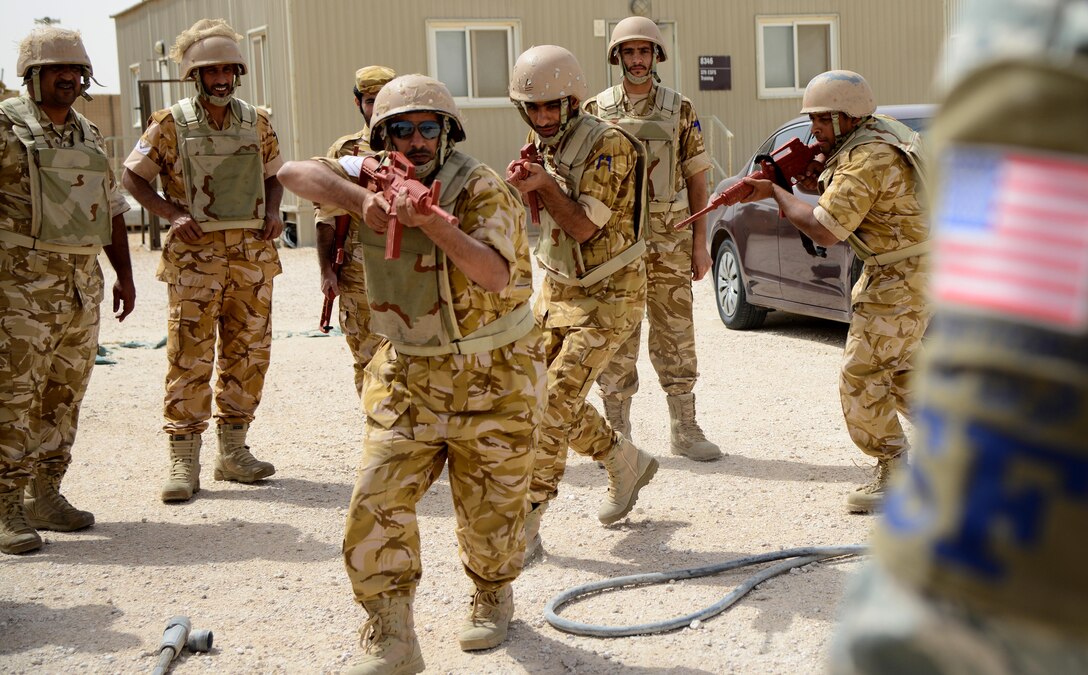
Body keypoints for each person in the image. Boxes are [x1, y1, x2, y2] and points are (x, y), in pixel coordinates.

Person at [829, 0, 1088, 670]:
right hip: (923, 283)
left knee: (863, 377)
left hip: (896, 287)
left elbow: (1027, 387)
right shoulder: (894, 139)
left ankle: (891, 465)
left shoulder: (1034, 45)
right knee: (912, 378)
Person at [276, 74, 547, 674]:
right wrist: (359, 201)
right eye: (403, 128)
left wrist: (433, 224)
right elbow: (293, 173)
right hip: (407, 377)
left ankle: (491, 591)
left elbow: (496, 276)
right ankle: (392, 630)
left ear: (448, 132)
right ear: (382, 134)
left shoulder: (481, 188)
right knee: (375, 500)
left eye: (429, 128)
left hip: (493, 377)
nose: (417, 140)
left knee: (490, 517)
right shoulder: (368, 170)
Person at [739, 70, 930, 513]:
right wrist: (812, 185)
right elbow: (864, 202)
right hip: (912, 269)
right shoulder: (880, 135)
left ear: (847, 117)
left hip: (899, 278)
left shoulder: (866, 159)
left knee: (861, 375)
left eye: (822, 120)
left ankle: (895, 472)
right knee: (900, 370)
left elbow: (824, 231)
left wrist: (775, 194)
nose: (814, 130)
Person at [122, 19, 284, 504]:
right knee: (189, 355)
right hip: (195, 259)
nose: (220, 79)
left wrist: (274, 212)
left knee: (249, 353)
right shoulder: (169, 123)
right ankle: (182, 461)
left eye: (227, 70)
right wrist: (171, 214)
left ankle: (233, 452)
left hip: (251, 257)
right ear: (195, 76)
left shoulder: (257, 120)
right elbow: (132, 178)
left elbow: (275, 174)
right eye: (210, 71)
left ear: (237, 72)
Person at [505, 45, 657, 559]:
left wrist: (544, 184)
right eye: (533, 108)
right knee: (533, 392)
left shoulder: (608, 144)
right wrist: (530, 184)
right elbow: (542, 220)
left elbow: (583, 224)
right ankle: (622, 458)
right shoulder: (542, 138)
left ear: (573, 101)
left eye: (553, 107)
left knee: (553, 405)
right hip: (560, 289)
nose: (543, 118)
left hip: (609, 294)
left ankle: (526, 523)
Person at [0, 27, 135, 555]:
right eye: (58, 70)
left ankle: (45, 495)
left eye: (77, 71)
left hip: (80, 289)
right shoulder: (7, 129)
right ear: (31, 75)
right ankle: (6, 504)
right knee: (12, 399)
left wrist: (123, 275)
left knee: (63, 396)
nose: (70, 79)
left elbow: (112, 209)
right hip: (18, 292)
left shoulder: (89, 134)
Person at [583, 16, 720, 462]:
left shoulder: (680, 109)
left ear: (656, 56)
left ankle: (685, 428)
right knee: (617, 331)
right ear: (617, 57)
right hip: (615, 243)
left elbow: (697, 178)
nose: (637, 60)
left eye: (644, 52)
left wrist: (700, 242)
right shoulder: (595, 111)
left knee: (675, 331)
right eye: (629, 52)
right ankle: (617, 433)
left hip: (670, 239)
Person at [314, 65, 395, 395]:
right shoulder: (345, 151)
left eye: (385, 100)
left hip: (406, 272)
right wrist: (326, 272)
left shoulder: (416, 145)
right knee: (366, 358)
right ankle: (376, 431)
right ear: (358, 102)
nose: (377, 110)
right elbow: (326, 215)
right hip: (358, 275)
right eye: (371, 100)